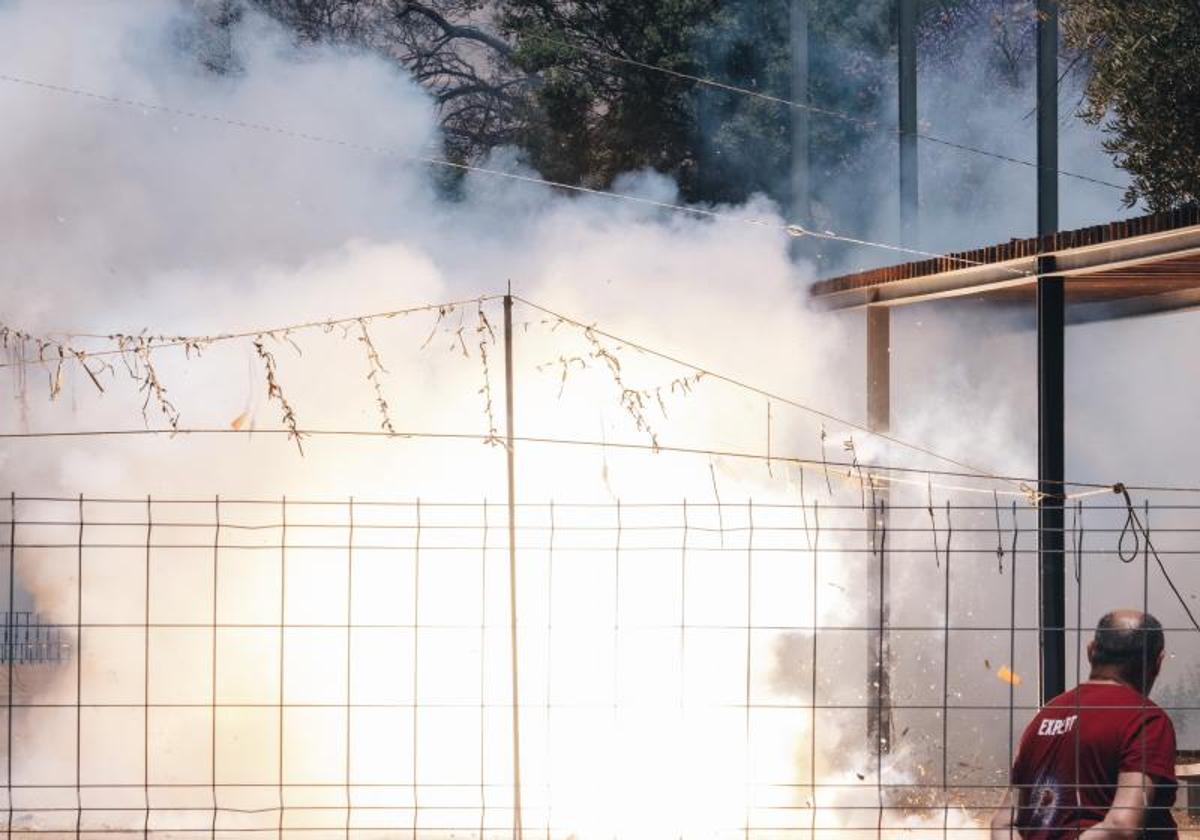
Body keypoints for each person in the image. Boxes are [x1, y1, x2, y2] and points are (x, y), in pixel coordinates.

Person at [991, 610, 1178, 839]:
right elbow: (1121, 826)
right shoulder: (1146, 720)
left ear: (1090, 651)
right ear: (1157, 662)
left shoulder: (1043, 717)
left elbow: (1002, 823)